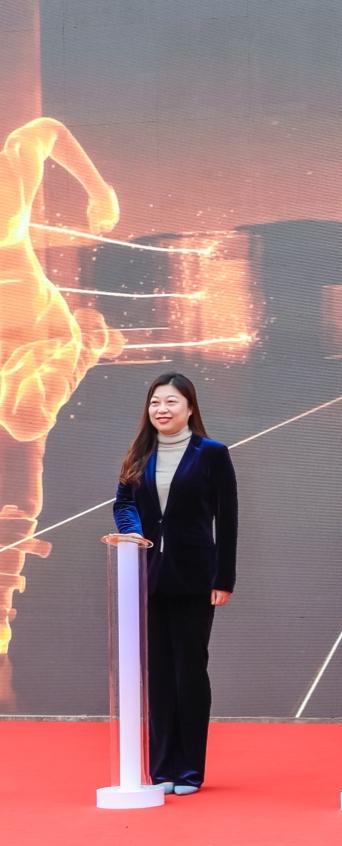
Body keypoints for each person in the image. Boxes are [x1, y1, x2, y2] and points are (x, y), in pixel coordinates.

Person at [1, 117, 122, 678]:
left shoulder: (10, 181)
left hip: (40, 340)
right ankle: (92, 344)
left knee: (26, 421)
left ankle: (89, 344)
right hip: (22, 353)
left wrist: (100, 191)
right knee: (24, 436)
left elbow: (46, 130)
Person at [112, 373, 238, 796]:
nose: (161, 410)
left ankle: (189, 771)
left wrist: (224, 577)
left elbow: (228, 519)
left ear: (189, 408)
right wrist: (132, 533)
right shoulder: (138, 453)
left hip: (195, 578)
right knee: (159, 674)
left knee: (189, 671)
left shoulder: (212, 453)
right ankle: (162, 768)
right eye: (155, 403)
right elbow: (124, 503)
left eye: (170, 402)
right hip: (148, 577)